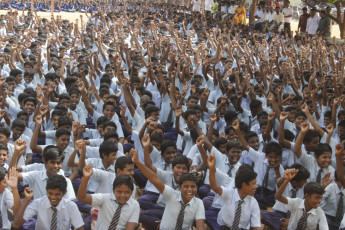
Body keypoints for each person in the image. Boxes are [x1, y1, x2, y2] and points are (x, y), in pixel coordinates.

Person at [131, 148, 205, 230]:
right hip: (162, 217)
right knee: (143, 212)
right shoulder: (172, 194)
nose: (189, 190)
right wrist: (137, 161)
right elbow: (153, 178)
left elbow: (200, 226)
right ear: (179, 187)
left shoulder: (198, 203)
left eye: (193, 187)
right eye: (186, 186)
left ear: (197, 188)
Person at [77, 165, 139, 230]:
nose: (122, 195)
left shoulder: (134, 205)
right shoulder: (105, 198)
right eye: (119, 192)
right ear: (113, 191)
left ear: (131, 193)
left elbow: (130, 228)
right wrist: (86, 178)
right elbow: (81, 197)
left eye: (127, 192)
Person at [208, 153, 261, 229]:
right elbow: (214, 187)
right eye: (254, 183)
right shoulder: (229, 193)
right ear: (244, 185)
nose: (257, 186)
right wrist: (212, 169)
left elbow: (256, 227)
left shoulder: (253, 203)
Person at [13, 174, 84, 230]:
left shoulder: (71, 206)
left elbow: (80, 227)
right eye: (50, 193)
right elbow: (16, 225)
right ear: (46, 190)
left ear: (64, 192)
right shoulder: (38, 203)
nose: (53, 197)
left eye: (57, 194)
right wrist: (27, 199)